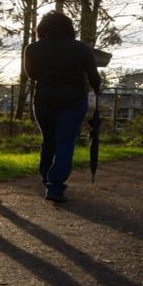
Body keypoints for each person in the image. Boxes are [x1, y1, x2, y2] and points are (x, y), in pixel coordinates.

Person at [24, 11, 103, 203]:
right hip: (73, 99)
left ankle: (46, 177)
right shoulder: (82, 49)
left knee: (48, 140)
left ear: (42, 28)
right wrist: (96, 89)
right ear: (69, 28)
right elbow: (93, 76)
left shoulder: (32, 49)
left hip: (45, 99)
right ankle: (55, 186)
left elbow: (32, 75)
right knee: (65, 142)